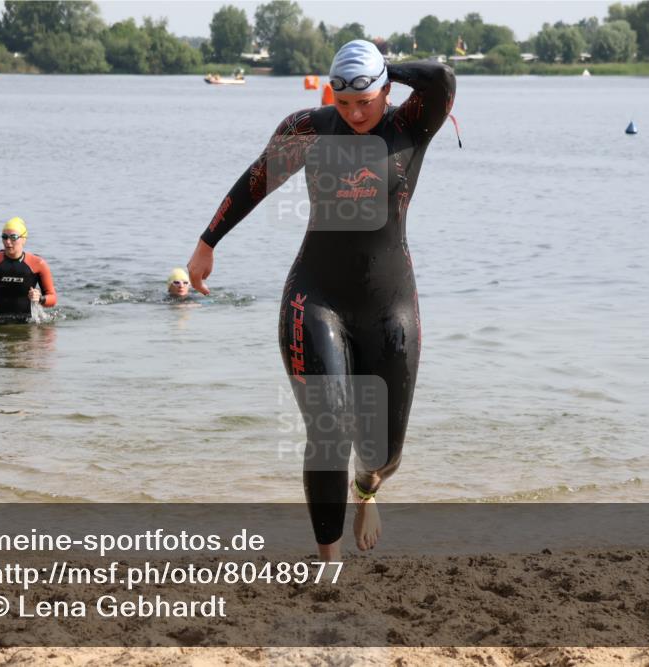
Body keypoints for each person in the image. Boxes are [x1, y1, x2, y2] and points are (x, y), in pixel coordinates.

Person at [187, 40, 455, 561]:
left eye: (365, 101)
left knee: (383, 455)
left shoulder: (410, 126)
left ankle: (368, 489)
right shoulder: (308, 128)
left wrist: (381, 66)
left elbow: (442, 76)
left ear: (386, 91)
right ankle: (327, 559)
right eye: (343, 101)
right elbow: (256, 181)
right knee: (328, 429)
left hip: (389, 308)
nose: (354, 114)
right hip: (316, 296)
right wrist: (207, 243)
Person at [0, 217, 57, 323]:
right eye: (4, 237)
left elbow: (52, 298)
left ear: (23, 239)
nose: (8, 242)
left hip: (28, 323)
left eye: (13, 237)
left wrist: (40, 298)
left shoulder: (38, 263)